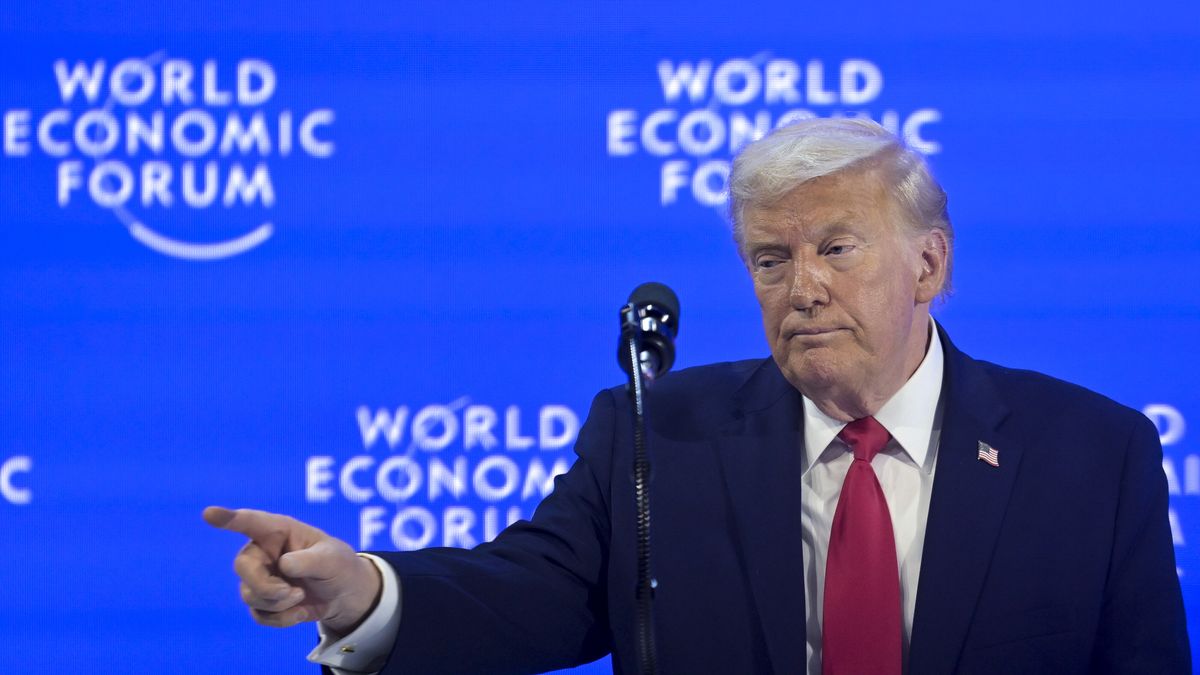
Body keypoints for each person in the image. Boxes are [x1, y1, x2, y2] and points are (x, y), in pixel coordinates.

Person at [204, 118, 1190, 674]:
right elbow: (532, 595)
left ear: (929, 263)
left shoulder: (1090, 454)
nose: (800, 287)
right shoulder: (657, 434)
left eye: (835, 248)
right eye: (770, 258)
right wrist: (364, 591)